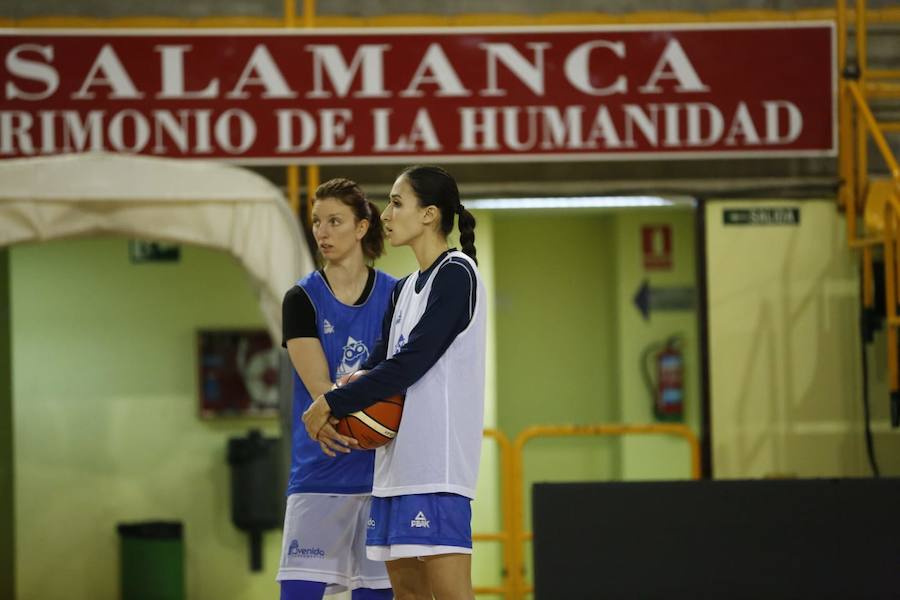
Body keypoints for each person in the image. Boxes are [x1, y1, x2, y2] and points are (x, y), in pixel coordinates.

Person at [303, 165, 487, 600]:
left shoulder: (457, 273)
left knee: (451, 596)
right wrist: (339, 405)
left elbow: (410, 363)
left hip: (436, 470)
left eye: (397, 203)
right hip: (393, 468)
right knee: (406, 595)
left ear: (429, 214)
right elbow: (376, 366)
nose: (385, 214)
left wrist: (331, 402)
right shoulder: (402, 290)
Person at [277, 178, 396, 600]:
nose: (322, 232)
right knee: (298, 594)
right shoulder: (301, 299)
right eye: (316, 222)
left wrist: (373, 418)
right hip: (320, 472)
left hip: (382, 477)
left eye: (334, 221)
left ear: (362, 227)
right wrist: (345, 408)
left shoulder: (396, 295)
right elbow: (322, 394)